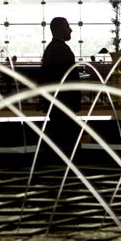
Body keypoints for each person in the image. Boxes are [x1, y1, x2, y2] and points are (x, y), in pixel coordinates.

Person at [40, 17, 81, 159]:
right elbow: (65, 80)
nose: (70, 30)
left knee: (60, 139)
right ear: (58, 29)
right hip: (63, 104)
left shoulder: (52, 49)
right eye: (67, 26)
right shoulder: (60, 50)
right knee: (66, 140)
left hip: (57, 104)